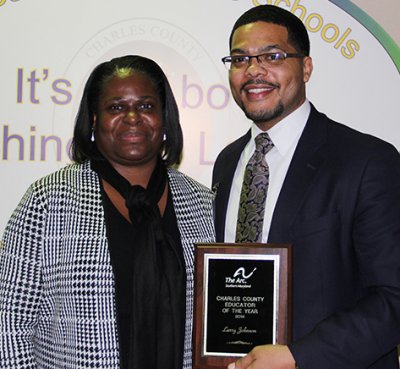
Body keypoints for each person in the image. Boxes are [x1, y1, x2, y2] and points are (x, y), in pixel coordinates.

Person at [212, 5, 400, 369]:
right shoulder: (227, 162)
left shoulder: (366, 161)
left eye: (273, 56)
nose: (254, 70)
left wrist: (299, 357)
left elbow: (394, 297)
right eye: (239, 59)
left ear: (307, 67)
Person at [0, 55, 215, 369]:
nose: (132, 117)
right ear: (94, 120)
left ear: (164, 118)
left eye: (146, 106)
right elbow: (10, 323)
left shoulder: (202, 203)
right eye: (115, 107)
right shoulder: (47, 200)